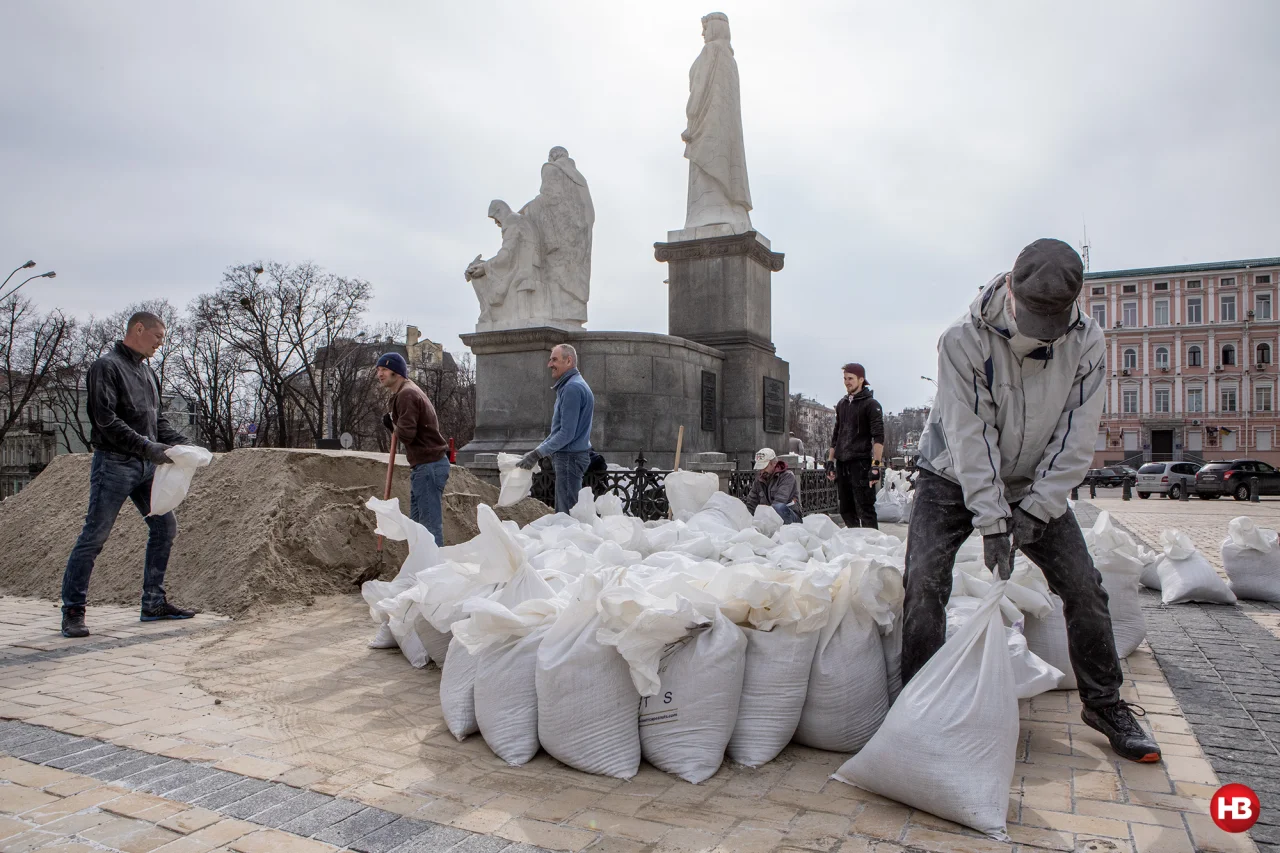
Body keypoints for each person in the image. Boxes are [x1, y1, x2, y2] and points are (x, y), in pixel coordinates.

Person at [903, 238, 1161, 763]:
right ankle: (917, 703)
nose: (1044, 332)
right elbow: (968, 434)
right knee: (924, 580)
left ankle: (1104, 703)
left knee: (1086, 589)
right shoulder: (963, 339)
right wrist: (994, 521)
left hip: (1032, 484)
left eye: (1055, 320)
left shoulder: (1086, 341)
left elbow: (1076, 436)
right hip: (951, 475)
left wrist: (1036, 508)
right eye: (1034, 317)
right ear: (1010, 292)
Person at [59, 312, 194, 638]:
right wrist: (149, 448)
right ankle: (72, 612)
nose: (160, 344)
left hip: (146, 467)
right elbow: (106, 421)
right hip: (114, 464)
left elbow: (155, 422)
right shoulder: (106, 367)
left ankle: (153, 602)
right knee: (95, 537)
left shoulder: (147, 373)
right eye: (158, 337)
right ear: (138, 328)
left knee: (165, 526)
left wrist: (184, 445)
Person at [376, 352, 450, 547]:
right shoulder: (405, 392)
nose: (380, 374)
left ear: (397, 372)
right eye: (378, 369)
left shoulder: (406, 394)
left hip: (429, 466)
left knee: (428, 528)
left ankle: (433, 574)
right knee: (418, 527)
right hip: (426, 466)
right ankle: (421, 570)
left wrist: (392, 425)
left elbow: (407, 435)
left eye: (384, 369)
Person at [517, 343, 594, 514]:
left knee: (567, 516)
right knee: (568, 513)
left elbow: (566, 434)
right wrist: (537, 452)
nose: (549, 364)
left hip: (569, 458)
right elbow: (558, 431)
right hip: (571, 457)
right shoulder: (572, 385)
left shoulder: (572, 388)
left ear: (569, 361)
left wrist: (537, 454)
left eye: (554, 360)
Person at [825, 363, 884, 528]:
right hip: (843, 463)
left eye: (850, 378)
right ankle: (854, 543)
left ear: (861, 379)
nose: (847, 382)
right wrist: (831, 461)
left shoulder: (871, 404)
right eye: (845, 378)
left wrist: (876, 466)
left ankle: (872, 545)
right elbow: (836, 435)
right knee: (845, 508)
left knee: (865, 508)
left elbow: (878, 437)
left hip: (861, 463)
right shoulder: (842, 404)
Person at [744, 448, 801, 523]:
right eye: (760, 468)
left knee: (778, 507)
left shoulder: (787, 476)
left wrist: (765, 519)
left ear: (773, 463)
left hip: (790, 517)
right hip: (769, 518)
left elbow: (780, 500)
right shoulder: (759, 479)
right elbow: (751, 502)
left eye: (764, 467)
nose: (762, 471)